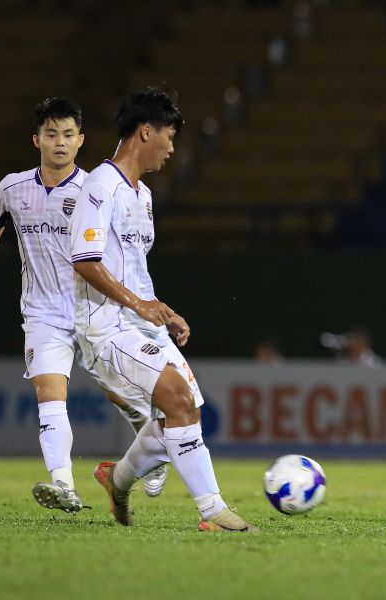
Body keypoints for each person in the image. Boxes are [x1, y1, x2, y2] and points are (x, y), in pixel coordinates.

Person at [0, 98, 167, 513]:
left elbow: (125, 248)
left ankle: (147, 442)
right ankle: (64, 485)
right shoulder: (12, 187)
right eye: (50, 134)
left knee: (123, 396)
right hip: (42, 313)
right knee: (50, 394)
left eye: (67, 134)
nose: (59, 142)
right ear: (36, 139)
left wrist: (139, 301)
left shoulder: (94, 188)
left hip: (93, 310)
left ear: (81, 140)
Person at [69, 88, 255, 532]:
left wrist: (161, 310)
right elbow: (85, 262)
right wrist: (138, 304)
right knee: (176, 399)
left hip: (141, 323)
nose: (172, 149)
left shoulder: (143, 196)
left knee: (184, 409)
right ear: (145, 132)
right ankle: (212, 510)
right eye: (168, 138)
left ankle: (117, 479)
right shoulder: (100, 185)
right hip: (106, 327)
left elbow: (132, 269)